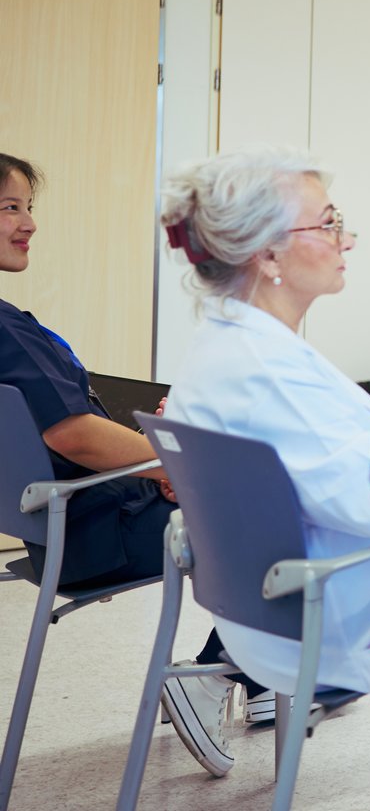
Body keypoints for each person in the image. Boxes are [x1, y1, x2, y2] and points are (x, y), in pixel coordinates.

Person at [157, 147, 370, 795]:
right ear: (269, 252)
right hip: (341, 610)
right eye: (329, 223)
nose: (348, 239)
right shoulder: (262, 373)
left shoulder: (237, 345)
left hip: (288, 605)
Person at [0, 152, 242, 778]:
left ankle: (261, 676)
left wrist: (157, 452)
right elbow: (75, 435)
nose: (28, 223)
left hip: (58, 526)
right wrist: (177, 462)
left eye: (29, 207)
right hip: (94, 534)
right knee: (262, 508)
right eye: (9, 208)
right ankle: (219, 675)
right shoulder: (7, 332)